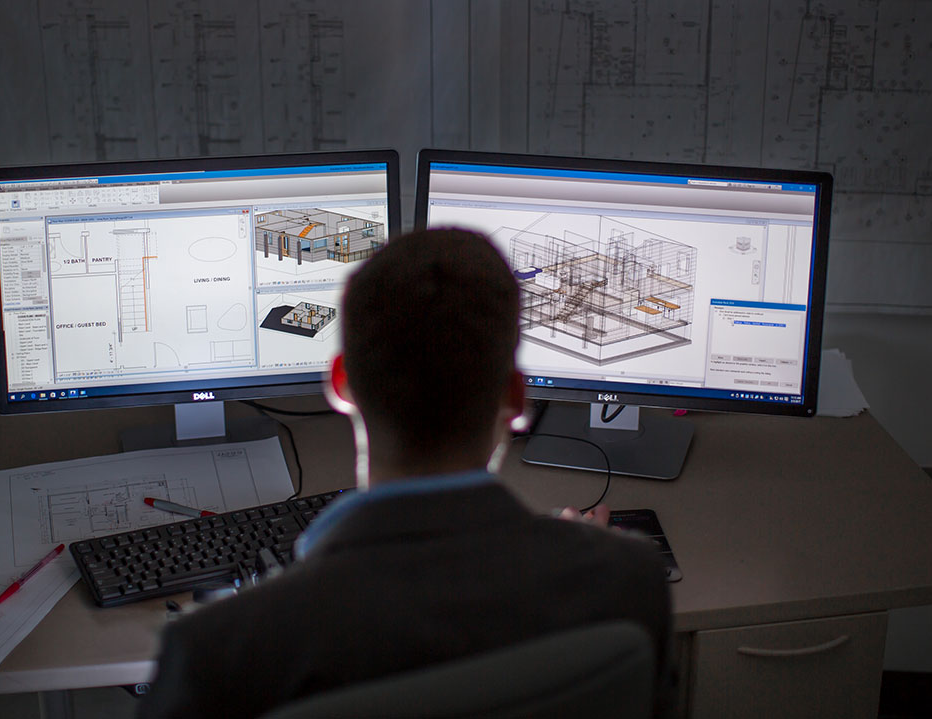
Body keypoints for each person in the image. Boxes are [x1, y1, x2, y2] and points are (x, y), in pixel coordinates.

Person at [138, 228, 672, 719]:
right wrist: (586, 555)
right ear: (516, 396)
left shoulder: (217, 651)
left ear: (340, 384)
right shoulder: (628, 580)